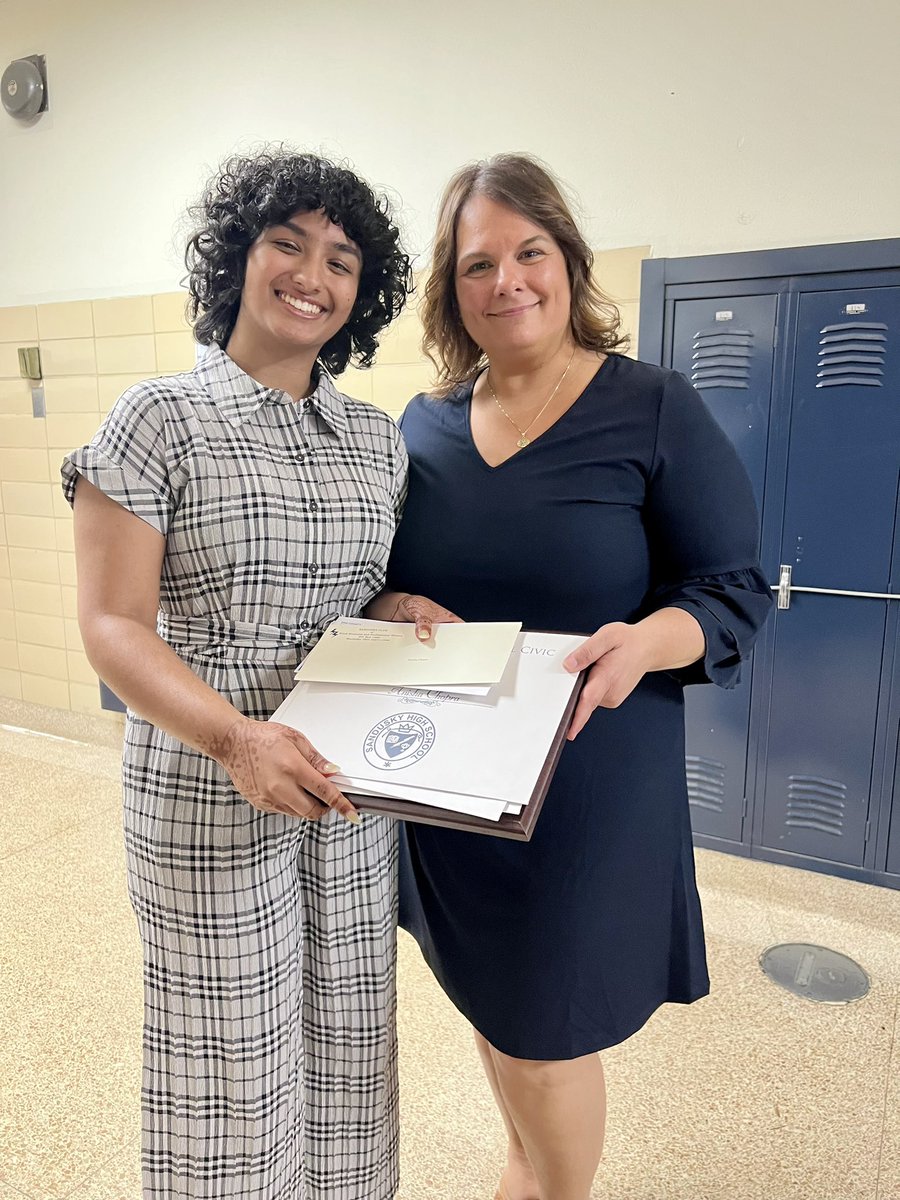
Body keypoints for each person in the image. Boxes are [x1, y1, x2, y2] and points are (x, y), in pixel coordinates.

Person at [382, 154, 774, 1200]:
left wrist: (646, 641)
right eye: (478, 264)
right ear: (450, 289)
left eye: (529, 252)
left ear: (567, 262)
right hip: (460, 797)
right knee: (494, 1009)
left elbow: (734, 590)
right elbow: (386, 585)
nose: (506, 280)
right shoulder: (422, 428)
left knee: (543, 1031)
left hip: (591, 788)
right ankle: (521, 1165)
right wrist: (391, 607)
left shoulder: (651, 407)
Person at [63, 149, 428, 1200]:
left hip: (347, 790)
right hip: (205, 786)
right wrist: (236, 738)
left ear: (362, 294)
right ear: (239, 258)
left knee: (352, 1046)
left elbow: (354, 600)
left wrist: (393, 610)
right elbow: (113, 626)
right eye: (287, 242)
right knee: (228, 1069)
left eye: (342, 258)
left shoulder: (375, 440)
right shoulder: (158, 417)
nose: (313, 272)